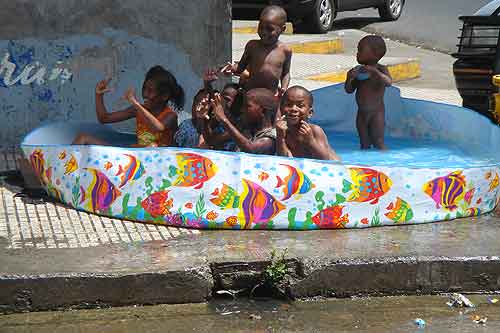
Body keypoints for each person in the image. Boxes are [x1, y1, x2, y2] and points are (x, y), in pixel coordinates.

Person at [73, 65, 184, 147]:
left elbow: (158, 128)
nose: (145, 94)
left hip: (162, 163)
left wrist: (136, 104)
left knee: (152, 146)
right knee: (83, 137)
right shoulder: (138, 110)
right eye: (144, 88)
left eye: (150, 91)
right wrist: (98, 95)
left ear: (164, 96)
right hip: (137, 156)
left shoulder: (171, 116)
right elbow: (104, 118)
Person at [221, 5, 292, 95]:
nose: (264, 32)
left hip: (271, 94)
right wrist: (232, 69)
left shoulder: (285, 50)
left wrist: (284, 88)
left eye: (270, 29)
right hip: (251, 93)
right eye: (261, 27)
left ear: (283, 29)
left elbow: (286, 73)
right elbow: (241, 68)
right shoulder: (252, 46)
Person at [345, 35, 392, 150]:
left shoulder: (381, 69)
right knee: (364, 144)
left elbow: (389, 82)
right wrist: (350, 78)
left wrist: (375, 72)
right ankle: (365, 165)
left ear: (375, 54)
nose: (357, 53)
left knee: (378, 142)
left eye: (360, 50)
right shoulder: (357, 71)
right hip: (361, 114)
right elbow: (349, 90)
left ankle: (386, 164)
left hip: (377, 113)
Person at [276, 86, 340, 160]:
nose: (294, 109)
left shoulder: (314, 131)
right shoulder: (282, 130)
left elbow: (325, 159)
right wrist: (281, 138)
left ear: (310, 113)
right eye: (288, 105)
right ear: (281, 109)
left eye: (300, 106)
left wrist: (311, 141)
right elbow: (285, 159)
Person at [210, 88, 277, 155]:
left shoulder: (270, 138)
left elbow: (251, 149)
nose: (242, 110)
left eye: (247, 106)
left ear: (263, 111)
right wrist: (203, 118)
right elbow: (213, 141)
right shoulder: (246, 129)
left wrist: (223, 119)